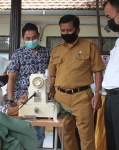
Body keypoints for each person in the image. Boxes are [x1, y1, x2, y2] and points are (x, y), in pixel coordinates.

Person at [48, 14, 105, 150]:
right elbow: (52, 74)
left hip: (82, 97)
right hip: (61, 98)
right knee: (65, 135)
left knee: (86, 136)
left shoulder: (89, 46)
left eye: (69, 30)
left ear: (77, 30)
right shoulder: (56, 50)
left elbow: (98, 71)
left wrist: (97, 93)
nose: (65, 33)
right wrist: (50, 91)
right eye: (63, 31)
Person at [7, 23, 50, 147]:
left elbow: (52, 73)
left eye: (34, 37)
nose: (31, 40)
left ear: (39, 36)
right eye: (28, 38)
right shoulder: (18, 54)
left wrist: (50, 90)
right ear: (22, 38)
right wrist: (11, 100)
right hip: (23, 99)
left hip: (40, 98)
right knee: (24, 131)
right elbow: (12, 77)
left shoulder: (46, 52)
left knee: (39, 132)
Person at [102, 1, 119, 150]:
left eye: (109, 16)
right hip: (111, 97)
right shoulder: (118, 40)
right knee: (112, 141)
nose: (108, 21)